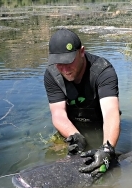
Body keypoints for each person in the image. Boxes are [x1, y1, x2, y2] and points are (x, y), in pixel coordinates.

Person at [44, 28, 120, 176]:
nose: (65, 69)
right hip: (72, 128)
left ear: (82, 52)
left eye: (69, 62)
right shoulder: (51, 74)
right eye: (59, 63)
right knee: (54, 154)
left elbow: (111, 112)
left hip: (99, 126)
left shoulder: (103, 71)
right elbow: (58, 113)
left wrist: (107, 150)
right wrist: (75, 136)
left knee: (106, 167)